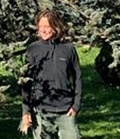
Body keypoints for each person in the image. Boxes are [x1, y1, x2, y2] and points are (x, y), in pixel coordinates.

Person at [21, 9, 82, 138]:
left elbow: (77, 78)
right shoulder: (33, 49)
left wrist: (76, 105)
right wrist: (26, 111)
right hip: (41, 111)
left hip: (66, 110)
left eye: (47, 26)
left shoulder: (68, 48)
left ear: (56, 27)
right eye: (41, 26)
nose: (43, 30)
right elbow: (26, 82)